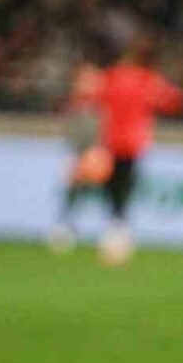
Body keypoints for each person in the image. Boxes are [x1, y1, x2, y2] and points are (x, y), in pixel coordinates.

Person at [95, 32, 183, 265]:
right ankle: (120, 233)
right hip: (134, 141)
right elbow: (173, 100)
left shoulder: (109, 76)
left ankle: (115, 232)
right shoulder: (147, 79)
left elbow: (92, 98)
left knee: (113, 187)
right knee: (124, 186)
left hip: (111, 140)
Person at [47, 57, 110, 253]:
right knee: (73, 190)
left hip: (99, 154)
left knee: (105, 192)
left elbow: (107, 130)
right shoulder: (74, 106)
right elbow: (71, 132)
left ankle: (111, 227)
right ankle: (65, 226)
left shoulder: (103, 106)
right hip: (79, 153)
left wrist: (99, 151)